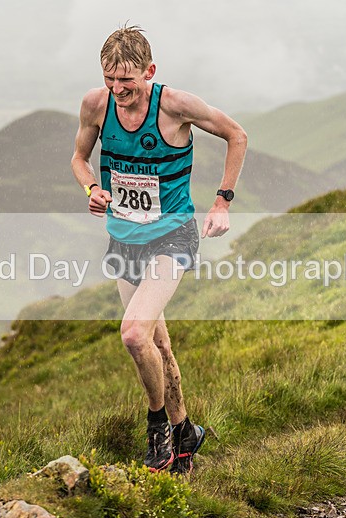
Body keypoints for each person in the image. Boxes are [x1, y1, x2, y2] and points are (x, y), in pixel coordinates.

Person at [70, 25, 247, 475]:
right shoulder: (96, 105)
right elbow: (78, 158)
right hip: (123, 238)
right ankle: (185, 431)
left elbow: (236, 135)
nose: (118, 89)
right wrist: (92, 187)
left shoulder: (175, 105)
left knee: (133, 335)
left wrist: (223, 200)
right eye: (110, 79)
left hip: (172, 236)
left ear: (150, 71)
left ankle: (157, 431)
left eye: (126, 80)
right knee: (158, 349)